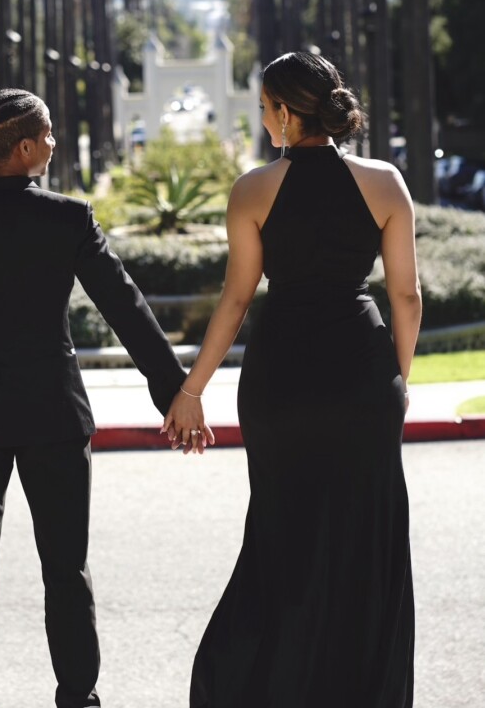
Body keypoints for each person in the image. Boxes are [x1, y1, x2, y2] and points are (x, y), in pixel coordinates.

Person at [0, 88, 207, 708]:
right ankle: (77, 698)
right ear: (22, 149)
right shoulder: (67, 219)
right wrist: (172, 390)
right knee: (65, 570)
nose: (53, 144)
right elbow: (125, 306)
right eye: (46, 135)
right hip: (54, 418)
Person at [164, 52, 420, 707]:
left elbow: (235, 299)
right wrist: (399, 378)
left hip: (281, 377)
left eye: (263, 108)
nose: (262, 119)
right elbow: (407, 296)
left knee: (283, 531)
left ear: (283, 111)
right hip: (364, 372)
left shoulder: (252, 190)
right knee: (365, 537)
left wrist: (191, 391)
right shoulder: (385, 181)